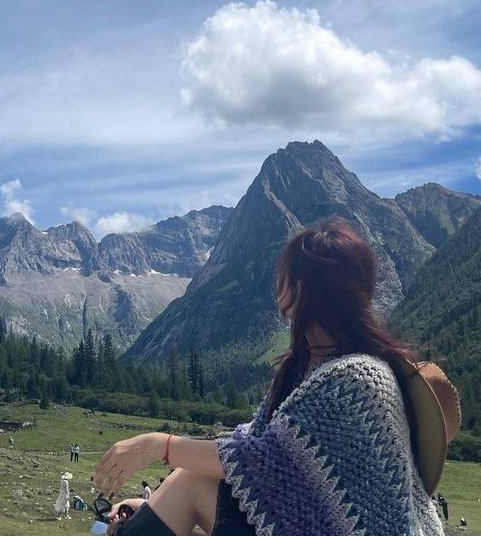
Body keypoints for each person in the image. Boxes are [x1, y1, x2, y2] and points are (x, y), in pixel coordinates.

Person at [92, 218, 461, 536]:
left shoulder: (356, 379)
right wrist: (154, 505)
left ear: (300, 288)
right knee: (186, 482)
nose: (277, 291)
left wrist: (162, 445)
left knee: (189, 480)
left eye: (283, 279)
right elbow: (256, 456)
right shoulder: (320, 370)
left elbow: (263, 460)